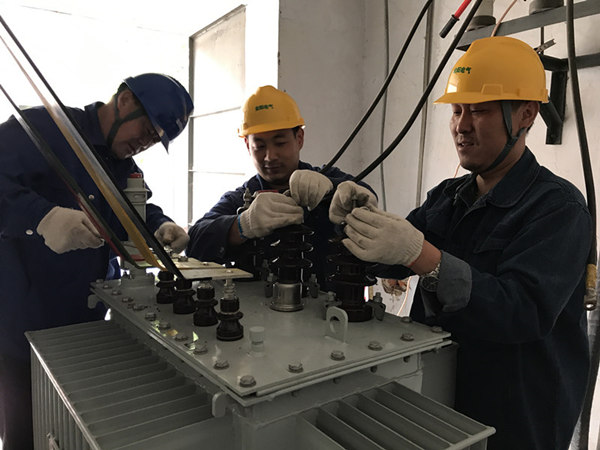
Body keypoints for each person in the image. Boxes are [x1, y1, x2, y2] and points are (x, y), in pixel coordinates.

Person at [329, 36, 593, 450]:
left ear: (526, 114)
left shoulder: (559, 209)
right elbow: (388, 260)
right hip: (439, 395)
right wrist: (351, 218)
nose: (461, 126)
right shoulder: (447, 197)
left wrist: (424, 257)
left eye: (480, 110)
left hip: (517, 415)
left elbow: (522, 312)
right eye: (456, 110)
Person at [0, 73, 193, 449]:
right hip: (24, 327)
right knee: (25, 436)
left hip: (85, 329)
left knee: (67, 433)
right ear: (125, 100)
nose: (145, 142)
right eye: (146, 129)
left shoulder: (125, 168)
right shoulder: (45, 128)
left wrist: (160, 224)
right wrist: (41, 218)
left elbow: (133, 212)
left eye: (155, 139)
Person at [186, 85, 376, 288]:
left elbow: (364, 198)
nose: (270, 156)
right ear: (248, 146)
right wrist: (242, 225)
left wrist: (332, 188)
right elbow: (195, 245)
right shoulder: (240, 199)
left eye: (280, 143)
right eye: (259, 146)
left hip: (331, 305)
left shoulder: (328, 180)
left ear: (299, 138)